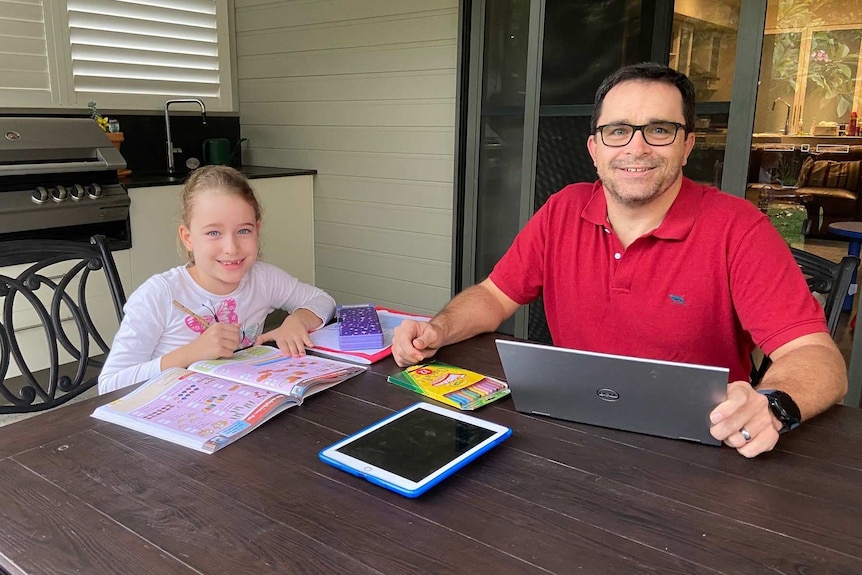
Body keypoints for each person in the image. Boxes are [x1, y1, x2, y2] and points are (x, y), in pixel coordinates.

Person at [392, 62, 848, 458]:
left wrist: (773, 406)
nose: (636, 147)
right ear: (595, 149)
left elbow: (813, 355)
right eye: (617, 131)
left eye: (659, 129)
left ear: (687, 145)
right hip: (571, 428)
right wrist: (439, 329)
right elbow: (495, 295)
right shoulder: (563, 209)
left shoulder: (738, 228)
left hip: (705, 443)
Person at [99, 165, 336, 394]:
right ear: (188, 237)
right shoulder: (159, 294)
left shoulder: (263, 278)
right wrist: (190, 353)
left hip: (234, 404)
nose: (231, 248)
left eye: (244, 231)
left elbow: (322, 300)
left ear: (257, 229)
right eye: (213, 233)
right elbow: (109, 385)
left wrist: (297, 321)